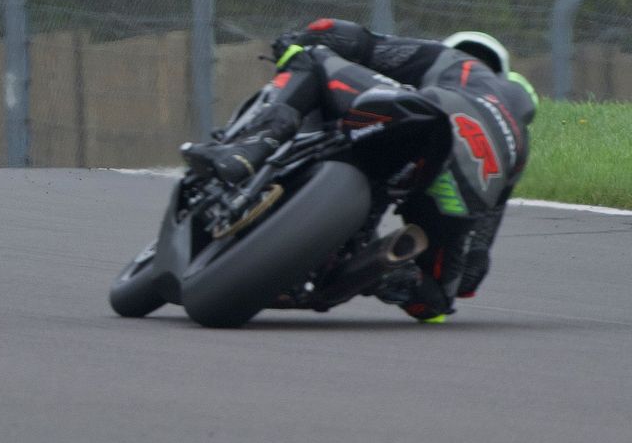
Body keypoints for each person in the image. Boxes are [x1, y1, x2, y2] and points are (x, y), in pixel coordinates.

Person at [183, 19, 537, 322]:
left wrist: (299, 40)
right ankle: (381, 270)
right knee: (437, 302)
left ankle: (249, 151)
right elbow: (473, 271)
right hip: (461, 191)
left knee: (312, 59)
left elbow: (349, 37)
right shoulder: (517, 148)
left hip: (425, 121)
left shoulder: (456, 62)